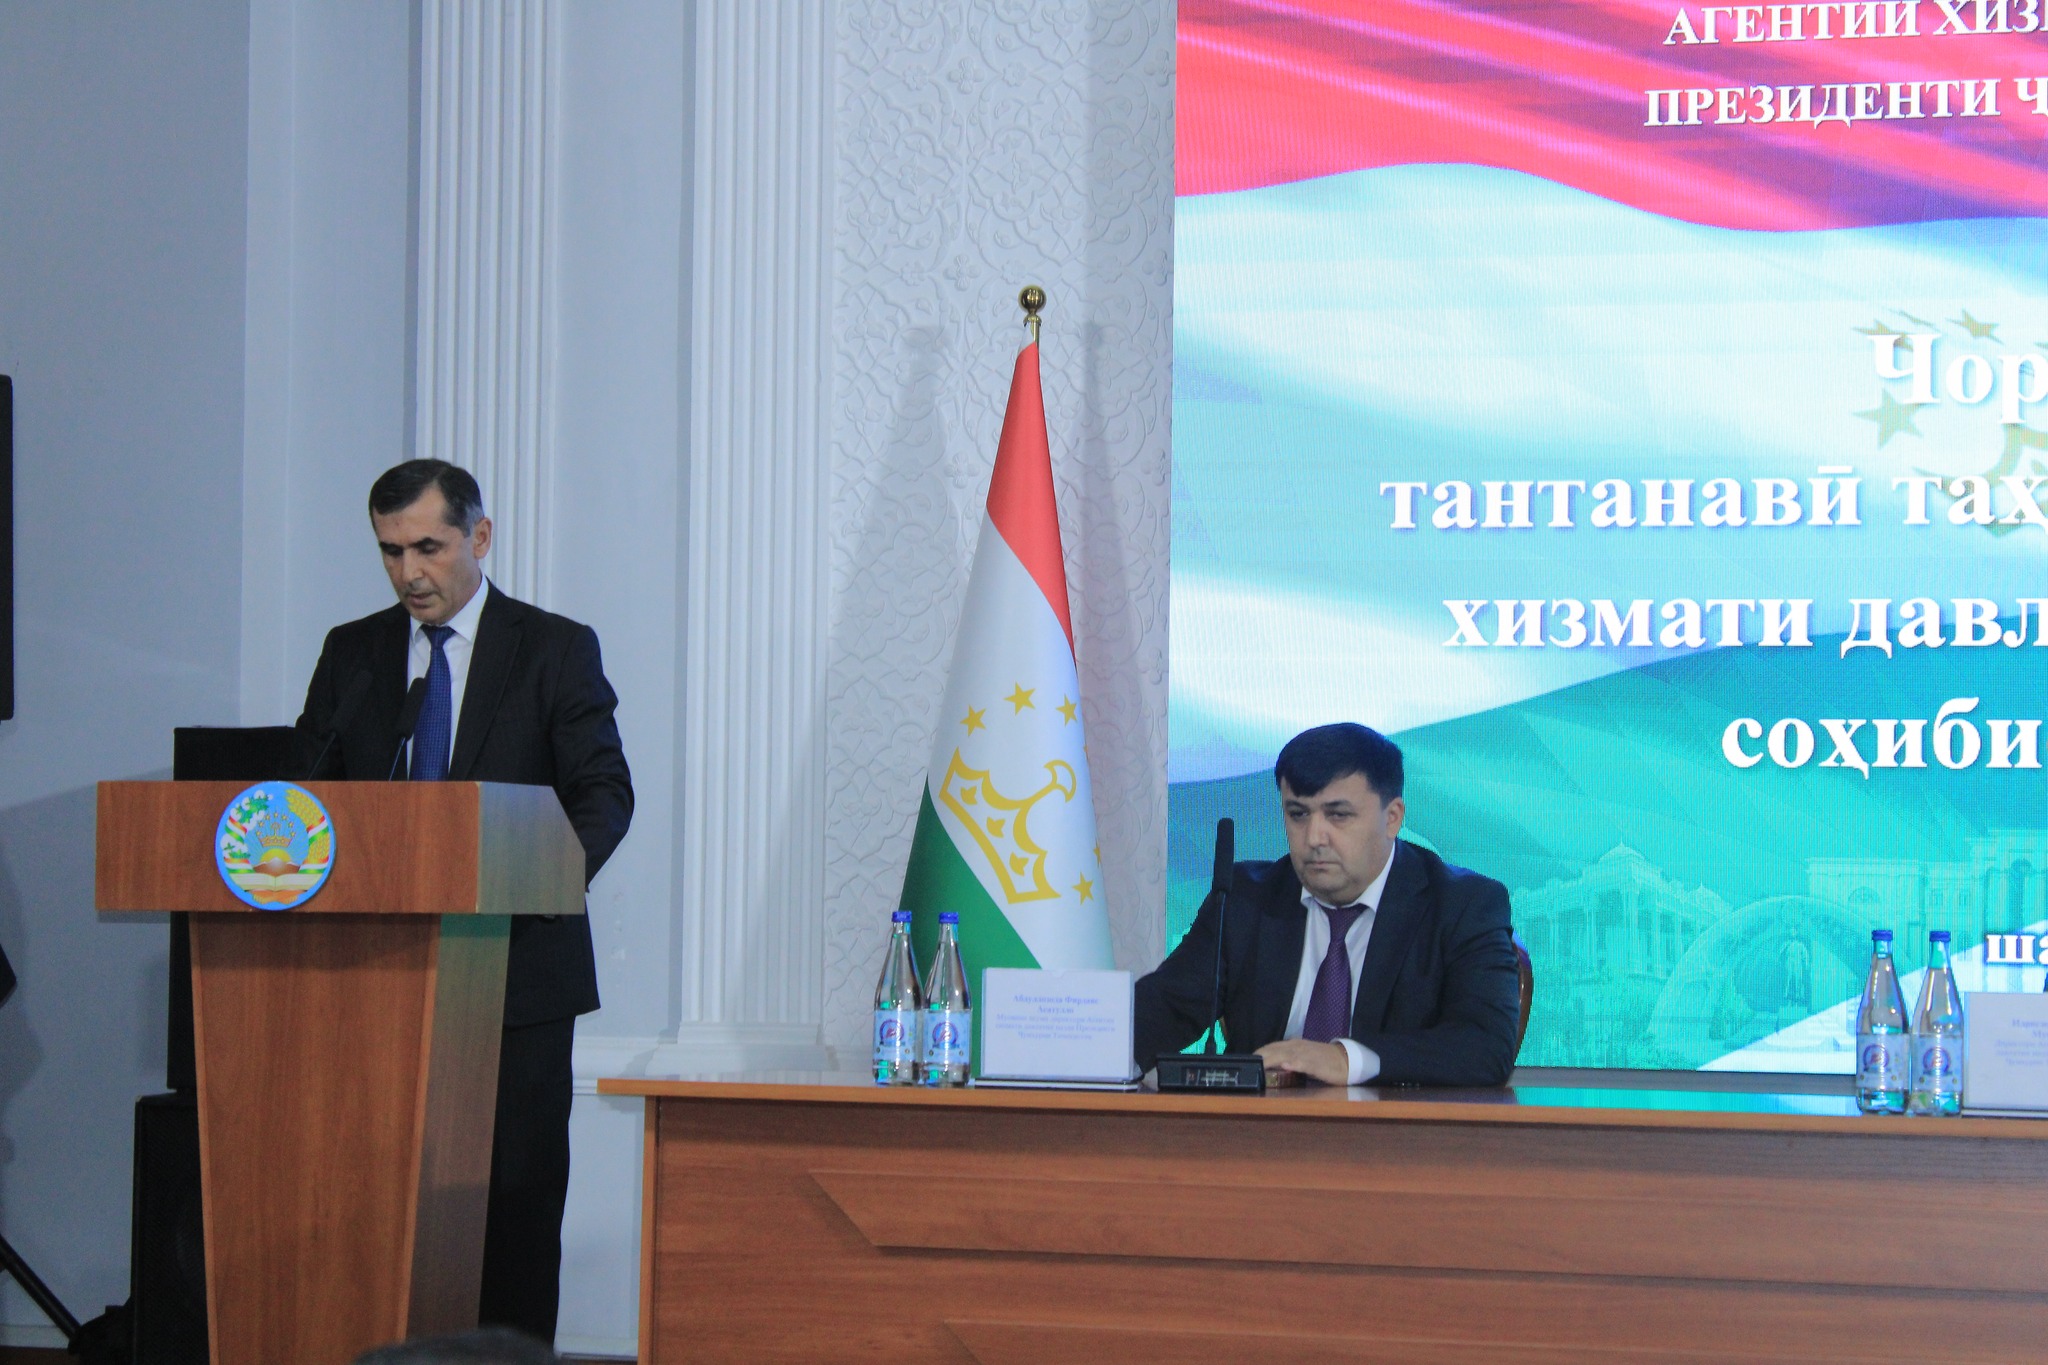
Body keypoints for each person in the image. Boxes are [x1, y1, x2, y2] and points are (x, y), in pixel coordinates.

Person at [294, 460, 633, 1343]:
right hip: (377, 978)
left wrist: (534, 876)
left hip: (515, 974)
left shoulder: (554, 647)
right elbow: (308, 797)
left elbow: (602, 793)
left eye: (429, 547)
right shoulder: (353, 653)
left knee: (514, 1210)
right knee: (380, 1205)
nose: (409, 572)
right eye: (390, 551)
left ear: (479, 537)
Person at [1134, 722, 1518, 1087]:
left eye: (1338, 815)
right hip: (1259, 1128)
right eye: (1298, 814)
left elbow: (1486, 1046)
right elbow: (1162, 1010)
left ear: (1392, 818)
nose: (1315, 837)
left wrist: (1344, 1059)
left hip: (1395, 1130)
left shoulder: (1462, 905)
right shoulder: (1245, 899)